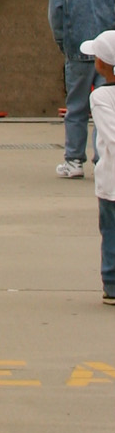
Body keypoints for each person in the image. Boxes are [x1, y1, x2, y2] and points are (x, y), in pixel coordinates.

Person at [48, 0, 115, 178]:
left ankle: (74, 161)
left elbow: (56, 19)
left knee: (76, 108)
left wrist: (64, 45)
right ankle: (103, 161)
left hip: (77, 52)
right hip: (109, 55)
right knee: (106, 107)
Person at [81, 31, 115, 303]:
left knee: (111, 232)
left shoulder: (101, 96)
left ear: (102, 64)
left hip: (111, 182)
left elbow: (111, 137)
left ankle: (112, 284)